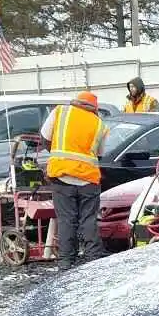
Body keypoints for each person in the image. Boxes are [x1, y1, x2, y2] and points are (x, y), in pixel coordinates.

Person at [41, 89, 110, 271]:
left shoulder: (60, 112)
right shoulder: (99, 124)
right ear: (94, 108)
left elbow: (45, 137)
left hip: (62, 175)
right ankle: (93, 258)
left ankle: (66, 261)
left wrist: (57, 155)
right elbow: (100, 153)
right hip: (88, 179)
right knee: (88, 219)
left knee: (66, 219)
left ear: (76, 102)